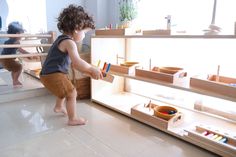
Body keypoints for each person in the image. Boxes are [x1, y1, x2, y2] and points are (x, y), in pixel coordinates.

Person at [40, 4, 103, 126]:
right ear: (76, 29)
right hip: (52, 75)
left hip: (48, 74)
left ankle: (58, 107)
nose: (84, 36)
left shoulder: (61, 39)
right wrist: (91, 68)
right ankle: (72, 118)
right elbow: (77, 62)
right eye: (84, 32)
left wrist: (89, 72)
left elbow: (75, 66)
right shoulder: (69, 42)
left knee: (66, 85)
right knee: (72, 92)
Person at [1, 21, 31, 87]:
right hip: (7, 59)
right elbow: (21, 50)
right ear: (17, 33)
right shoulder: (16, 42)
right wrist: (29, 54)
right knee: (19, 67)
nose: (22, 36)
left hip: (3, 59)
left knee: (15, 69)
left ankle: (14, 81)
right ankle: (15, 81)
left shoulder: (7, 41)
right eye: (21, 34)